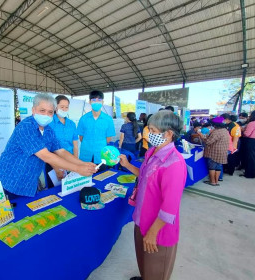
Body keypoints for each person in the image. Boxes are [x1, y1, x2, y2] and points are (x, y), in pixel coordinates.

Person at [118, 111, 186, 280]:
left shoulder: (174, 164)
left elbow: (169, 208)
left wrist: (153, 233)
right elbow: (143, 175)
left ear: (168, 133)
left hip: (158, 229)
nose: (148, 134)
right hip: (142, 220)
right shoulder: (152, 153)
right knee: (145, 263)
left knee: (156, 269)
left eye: (153, 130)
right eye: (149, 129)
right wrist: (126, 164)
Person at [0, 93, 96, 198]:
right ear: (33, 110)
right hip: (10, 181)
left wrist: (83, 164)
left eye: (50, 112)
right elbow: (46, 155)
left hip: (29, 183)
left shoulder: (48, 130)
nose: (46, 115)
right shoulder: (26, 127)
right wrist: (77, 168)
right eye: (42, 110)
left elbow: (60, 151)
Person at [77, 90, 116, 170]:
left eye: (99, 100)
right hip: (85, 155)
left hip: (101, 155)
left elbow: (108, 139)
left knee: (100, 177)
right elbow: (81, 137)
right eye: (94, 100)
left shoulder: (108, 119)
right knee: (85, 178)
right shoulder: (83, 119)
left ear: (103, 102)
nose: (96, 102)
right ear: (90, 102)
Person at [47, 95, 79, 187]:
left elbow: (75, 146)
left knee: (70, 188)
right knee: (54, 191)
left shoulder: (71, 124)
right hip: (53, 163)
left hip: (70, 162)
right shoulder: (49, 123)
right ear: (55, 107)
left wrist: (76, 163)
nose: (64, 109)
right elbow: (47, 149)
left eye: (66, 107)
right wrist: (56, 168)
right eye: (62, 107)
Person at [198, 116, 229, 186]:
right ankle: (216, 181)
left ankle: (212, 181)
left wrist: (201, 135)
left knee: (212, 167)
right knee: (218, 167)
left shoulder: (216, 132)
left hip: (214, 152)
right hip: (222, 151)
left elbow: (208, 142)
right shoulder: (225, 130)